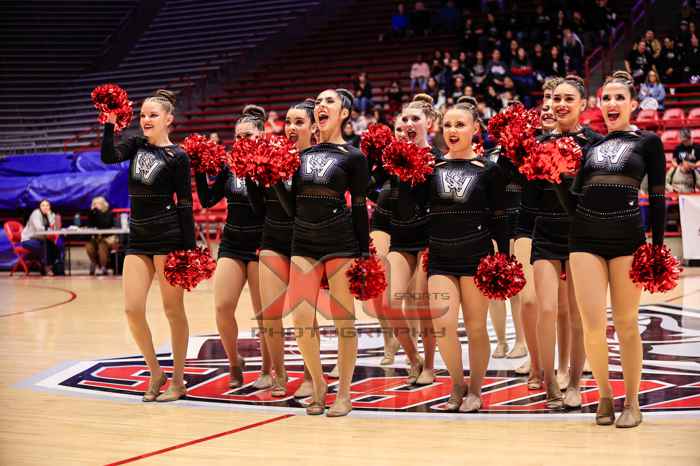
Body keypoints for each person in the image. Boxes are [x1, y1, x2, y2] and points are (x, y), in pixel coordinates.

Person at [560, 71, 667, 428]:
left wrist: (657, 248)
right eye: (606, 97)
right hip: (584, 239)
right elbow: (573, 201)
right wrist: (554, 177)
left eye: (620, 97)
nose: (612, 103)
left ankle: (633, 402)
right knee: (593, 325)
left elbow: (657, 198)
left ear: (633, 104)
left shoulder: (648, 142)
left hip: (627, 239)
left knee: (625, 323)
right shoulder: (590, 147)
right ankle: (605, 396)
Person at [408, 96, 508, 412]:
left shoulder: (489, 170)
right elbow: (415, 210)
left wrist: (504, 258)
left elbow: (500, 218)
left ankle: (475, 389)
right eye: (448, 125)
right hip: (440, 257)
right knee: (443, 325)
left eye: (460, 125)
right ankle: (456, 383)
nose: (452, 131)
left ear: (475, 128)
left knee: (476, 328)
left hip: (477, 257)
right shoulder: (431, 168)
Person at [275, 89, 370, 417]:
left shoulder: (353, 156)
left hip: (340, 241)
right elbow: (291, 208)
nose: (321, 106)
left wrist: (364, 254)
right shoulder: (301, 156)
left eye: (329, 101)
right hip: (303, 241)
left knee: (344, 320)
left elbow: (359, 207)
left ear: (344, 113)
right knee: (301, 319)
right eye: (318, 102)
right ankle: (318, 384)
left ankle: (344, 393)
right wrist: (276, 181)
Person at [100, 89, 195, 402]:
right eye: (142, 115)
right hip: (138, 237)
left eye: (153, 115)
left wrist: (188, 249)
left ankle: (178, 380)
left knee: (173, 310)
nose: (146, 120)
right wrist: (110, 123)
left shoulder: (178, 156)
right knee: (132, 309)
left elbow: (184, 203)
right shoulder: (135, 145)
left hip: (169, 237)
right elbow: (108, 156)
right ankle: (156, 372)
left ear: (169, 119)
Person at [195, 105, 272, 392]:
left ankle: (267, 368)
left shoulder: (271, 165)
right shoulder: (229, 167)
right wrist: (199, 168)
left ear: (261, 135)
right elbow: (207, 200)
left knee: (263, 313)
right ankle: (233, 361)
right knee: (222, 306)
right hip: (232, 242)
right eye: (238, 136)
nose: (241, 141)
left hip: (262, 243)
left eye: (247, 135)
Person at [536, 76, 602, 409]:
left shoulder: (595, 143)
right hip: (545, 230)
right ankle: (549, 381)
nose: (560, 104)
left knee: (577, 313)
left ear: (583, 104)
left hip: (580, 232)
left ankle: (575, 382)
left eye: (568, 99)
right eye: (556, 99)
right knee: (547, 309)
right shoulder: (538, 142)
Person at [251, 100, 318, 399]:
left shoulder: (317, 159)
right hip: (273, 237)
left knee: (305, 314)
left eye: (299, 122)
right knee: (270, 312)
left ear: (313, 127)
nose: (291, 127)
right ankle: (280, 372)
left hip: (305, 239)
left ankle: (311, 374)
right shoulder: (273, 155)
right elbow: (258, 207)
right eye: (288, 122)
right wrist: (254, 176)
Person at [384, 95, 442, 385]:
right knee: (392, 306)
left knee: (421, 306)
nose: (408, 123)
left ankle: (429, 365)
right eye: (404, 119)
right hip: (400, 237)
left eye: (415, 119)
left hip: (428, 238)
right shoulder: (392, 160)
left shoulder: (440, 159)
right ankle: (414, 358)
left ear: (429, 123)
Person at [20, 199, 64, 275]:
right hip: (28, 240)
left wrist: (49, 215)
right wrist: (50, 230)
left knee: (54, 247)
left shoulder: (51, 214)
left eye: (47, 205)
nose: (45, 207)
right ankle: (46, 268)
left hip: (40, 239)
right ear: (39, 207)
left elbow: (55, 228)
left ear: (50, 207)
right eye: (43, 205)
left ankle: (53, 267)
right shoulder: (36, 213)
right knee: (45, 247)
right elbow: (39, 229)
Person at [85, 196, 118, 275]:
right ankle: (94, 263)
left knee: (102, 246)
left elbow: (104, 225)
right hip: (96, 238)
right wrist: (92, 213)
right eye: (93, 204)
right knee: (89, 246)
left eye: (96, 204)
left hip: (107, 238)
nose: (95, 206)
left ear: (102, 204)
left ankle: (103, 267)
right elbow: (89, 225)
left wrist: (98, 212)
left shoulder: (109, 213)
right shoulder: (93, 213)